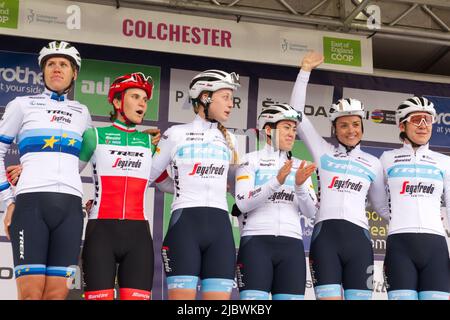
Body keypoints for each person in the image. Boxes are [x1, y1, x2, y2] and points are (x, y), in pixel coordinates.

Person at [289, 51, 390, 300]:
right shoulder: (323, 152)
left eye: (356, 125)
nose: (351, 130)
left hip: (360, 242)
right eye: (344, 125)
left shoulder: (373, 164)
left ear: (362, 128)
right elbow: (296, 114)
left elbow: (381, 207)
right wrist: (304, 72)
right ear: (334, 129)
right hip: (326, 240)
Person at [0, 40, 92, 300]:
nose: (56, 69)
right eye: (50, 64)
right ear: (43, 71)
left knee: (57, 296)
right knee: (30, 295)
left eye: (64, 64)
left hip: (71, 209)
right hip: (31, 205)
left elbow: (82, 159)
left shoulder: (82, 112)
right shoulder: (22, 104)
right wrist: (9, 200)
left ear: (74, 73)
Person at [77, 72, 173, 300]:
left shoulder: (149, 142)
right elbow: (67, 173)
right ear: (118, 102)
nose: (142, 103)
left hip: (138, 234)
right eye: (135, 96)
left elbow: (165, 182)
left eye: (145, 99)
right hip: (101, 231)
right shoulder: (94, 136)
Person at [148, 69, 240, 300]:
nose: (231, 104)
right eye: (225, 97)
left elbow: (239, 185)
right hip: (185, 227)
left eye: (232, 98)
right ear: (205, 97)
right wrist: (177, 185)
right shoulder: (176, 134)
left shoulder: (231, 139)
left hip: (221, 228)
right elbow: (149, 175)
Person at [234, 103, 318, 300]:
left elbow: (312, 213)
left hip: (292, 246)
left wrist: (299, 186)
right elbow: (243, 203)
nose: (292, 134)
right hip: (256, 242)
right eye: (286, 127)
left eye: (294, 129)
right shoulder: (249, 160)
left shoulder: (300, 166)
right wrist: (276, 181)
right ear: (269, 129)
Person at [380, 97, 450, 300]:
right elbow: (377, 201)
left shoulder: (444, 161)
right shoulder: (387, 158)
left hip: (436, 246)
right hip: (400, 244)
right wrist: (396, 218)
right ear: (402, 125)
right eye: (417, 119)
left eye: (428, 120)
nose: (423, 125)